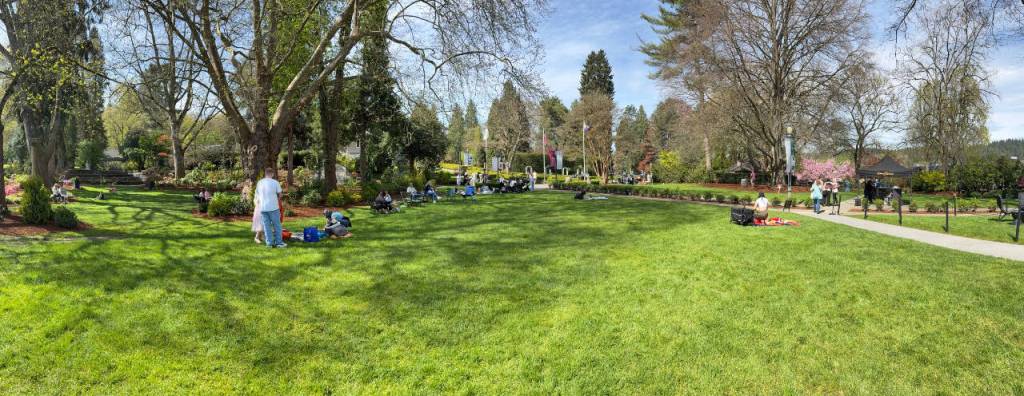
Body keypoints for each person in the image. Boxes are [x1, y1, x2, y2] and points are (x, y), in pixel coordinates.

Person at [255, 168, 286, 248]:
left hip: (263, 208)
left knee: (266, 226)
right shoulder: (275, 182)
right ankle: (279, 243)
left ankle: (269, 244)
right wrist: (276, 200)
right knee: (277, 226)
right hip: (273, 208)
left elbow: (257, 195)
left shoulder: (260, 182)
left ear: (265, 173)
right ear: (272, 174)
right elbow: (280, 195)